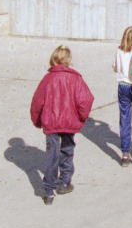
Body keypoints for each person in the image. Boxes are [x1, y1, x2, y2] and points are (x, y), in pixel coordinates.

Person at [30, 46, 94, 205]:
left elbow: (37, 101)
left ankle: (49, 191)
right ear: (69, 60)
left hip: (51, 122)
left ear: (53, 60)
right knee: (67, 150)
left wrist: (37, 120)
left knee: (51, 154)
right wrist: (81, 117)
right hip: (69, 121)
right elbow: (86, 99)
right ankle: (65, 181)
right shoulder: (75, 78)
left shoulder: (48, 79)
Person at [112, 26, 132, 166]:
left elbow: (115, 68)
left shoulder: (119, 51)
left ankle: (125, 153)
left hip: (123, 85)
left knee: (125, 118)